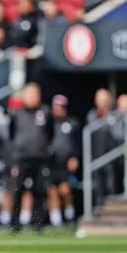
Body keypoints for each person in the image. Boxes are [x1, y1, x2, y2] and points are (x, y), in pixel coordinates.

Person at [6, 83, 53, 233]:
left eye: (34, 94)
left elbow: (50, 132)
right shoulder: (16, 114)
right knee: (17, 190)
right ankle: (15, 223)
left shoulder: (45, 112)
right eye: (29, 94)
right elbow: (11, 133)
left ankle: (38, 223)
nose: (32, 97)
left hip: (39, 158)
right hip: (21, 158)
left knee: (39, 191)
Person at [48, 95, 80, 225]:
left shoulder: (72, 123)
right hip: (51, 161)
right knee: (52, 190)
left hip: (66, 162)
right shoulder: (48, 123)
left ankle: (69, 214)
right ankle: (56, 220)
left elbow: (76, 143)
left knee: (65, 190)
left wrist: (75, 157)